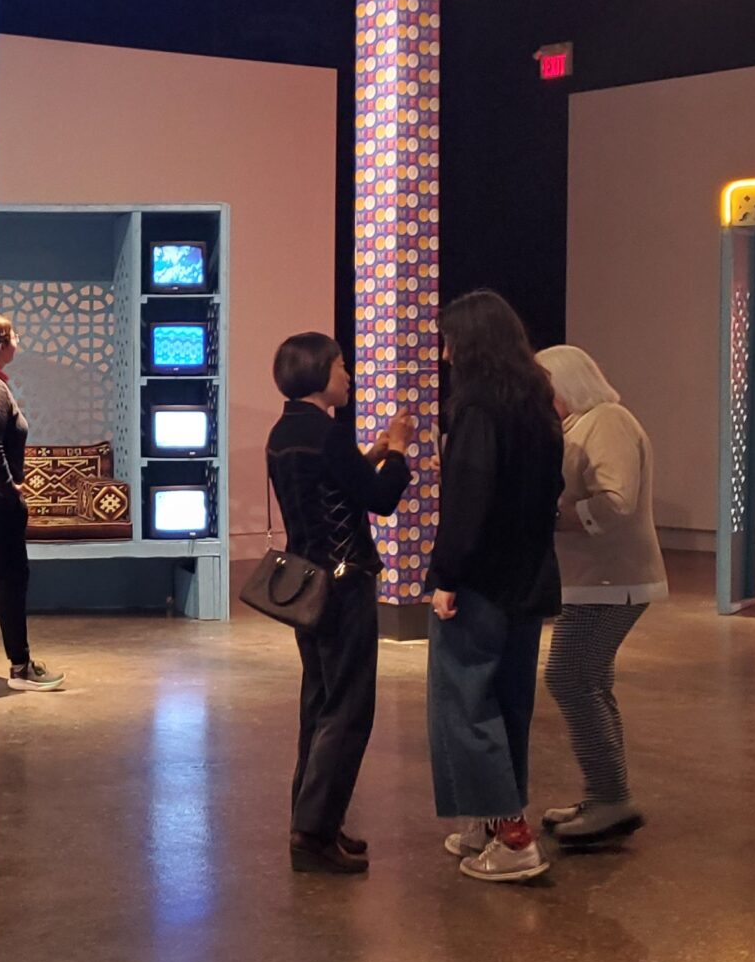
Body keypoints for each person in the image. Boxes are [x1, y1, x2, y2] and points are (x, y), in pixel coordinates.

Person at [425, 291, 566, 884]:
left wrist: (445, 576)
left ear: (471, 343)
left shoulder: (478, 408)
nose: (445, 351)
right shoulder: (540, 405)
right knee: (509, 701)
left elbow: (468, 500)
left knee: (465, 704)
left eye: (450, 339)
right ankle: (490, 820)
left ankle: (512, 837)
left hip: (481, 579)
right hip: (529, 576)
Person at [265, 333, 414, 875]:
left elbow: (334, 486)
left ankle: (313, 822)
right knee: (348, 708)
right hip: (345, 581)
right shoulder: (326, 434)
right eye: (341, 366)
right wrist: (396, 449)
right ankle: (314, 832)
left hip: (308, 583)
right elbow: (379, 499)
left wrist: (366, 456)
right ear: (318, 372)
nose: (347, 376)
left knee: (320, 700)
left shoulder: (284, 433)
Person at [533, 345, 664, 845]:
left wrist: (550, 518)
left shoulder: (607, 420)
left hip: (611, 579)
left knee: (568, 678)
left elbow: (616, 500)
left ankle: (611, 799)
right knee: (588, 682)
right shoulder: (585, 423)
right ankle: (607, 793)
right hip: (597, 579)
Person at [0, 315, 61, 691]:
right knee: (12, 581)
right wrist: (10, 488)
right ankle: (21, 668)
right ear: (1, 343)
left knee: (8, 580)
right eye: (14, 334)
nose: (18, 340)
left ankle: (20, 663)